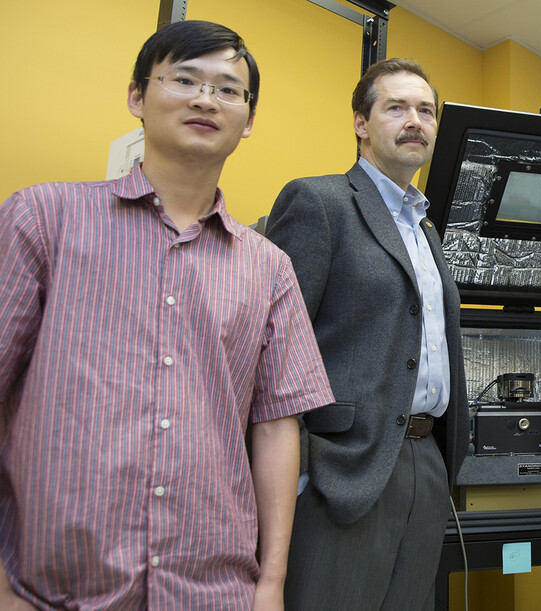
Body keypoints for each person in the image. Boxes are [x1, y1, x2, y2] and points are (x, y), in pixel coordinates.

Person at [0, 20, 334, 609]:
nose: (207, 99)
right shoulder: (42, 219)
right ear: (137, 96)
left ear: (249, 121)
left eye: (229, 89)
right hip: (52, 588)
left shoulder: (270, 267)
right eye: (185, 79)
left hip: (212, 591)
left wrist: (271, 583)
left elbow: (277, 425)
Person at [265, 58, 469, 610]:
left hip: (426, 463)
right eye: (396, 107)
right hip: (344, 469)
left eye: (426, 110)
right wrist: (305, 468)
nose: (415, 121)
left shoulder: (427, 228)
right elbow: (275, 349)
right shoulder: (320, 203)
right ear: (361, 122)